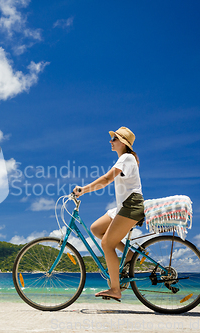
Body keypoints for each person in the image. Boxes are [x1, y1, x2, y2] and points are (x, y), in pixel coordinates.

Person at [74, 126, 144, 302]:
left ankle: (115, 289)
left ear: (122, 143)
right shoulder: (125, 159)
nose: (110, 141)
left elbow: (106, 179)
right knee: (96, 229)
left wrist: (83, 190)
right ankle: (130, 255)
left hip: (131, 206)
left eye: (114, 139)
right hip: (123, 206)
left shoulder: (127, 158)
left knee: (106, 244)